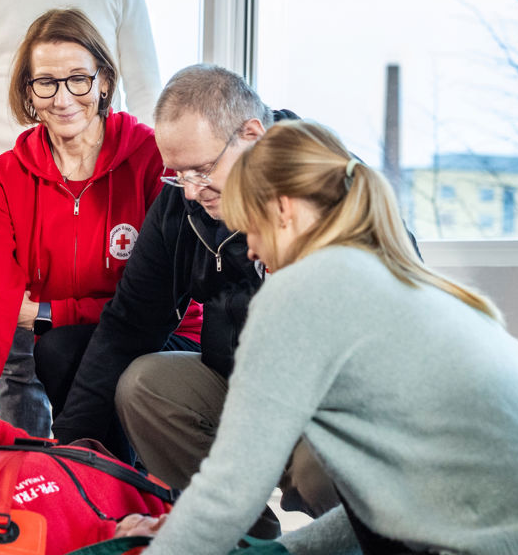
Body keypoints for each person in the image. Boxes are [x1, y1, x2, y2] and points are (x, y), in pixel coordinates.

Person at [123, 119, 518, 555]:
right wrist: (276, 551)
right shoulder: (406, 281)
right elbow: (390, 509)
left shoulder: (303, 288)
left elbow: (229, 491)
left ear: (283, 209)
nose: (252, 252)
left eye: (251, 229)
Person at [51, 64, 336, 539]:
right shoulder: (185, 203)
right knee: (143, 384)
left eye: (203, 170)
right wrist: (67, 450)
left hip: (326, 399)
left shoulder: (323, 185)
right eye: (177, 173)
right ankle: (239, 541)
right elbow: (128, 323)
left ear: (251, 134)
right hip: (240, 378)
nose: (189, 190)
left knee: (318, 464)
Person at [0, 9, 200, 440]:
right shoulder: (1, 178)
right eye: (46, 82)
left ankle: (125, 483)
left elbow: (158, 304)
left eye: (78, 79)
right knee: (60, 351)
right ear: (29, 92)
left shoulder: (151, 159)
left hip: (164, 335)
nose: (63, 99)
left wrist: (50, 313)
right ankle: (104, 484)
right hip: (70, 344)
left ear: (104, 81)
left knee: (70, 350)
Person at [0, 0, 162, 288]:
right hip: (5, 204)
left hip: (100, 196)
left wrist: (156, 194)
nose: (62, 98)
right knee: (4, 316)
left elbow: (146, 94)